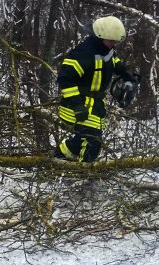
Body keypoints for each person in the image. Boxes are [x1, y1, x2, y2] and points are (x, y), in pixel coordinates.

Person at [54, 16, 137, 162]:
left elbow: (114, 62)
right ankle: (82, 172)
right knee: (92, 140)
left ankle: (62, 156)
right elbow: (65, 79)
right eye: (111, 41)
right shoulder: (83, 54)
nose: (114, 44)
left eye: (116, 41)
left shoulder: (107, 50)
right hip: (78, 104)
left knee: (91, 140)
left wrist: (128, 76)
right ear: (100, 37)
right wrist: (77, 105)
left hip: (95, 105)